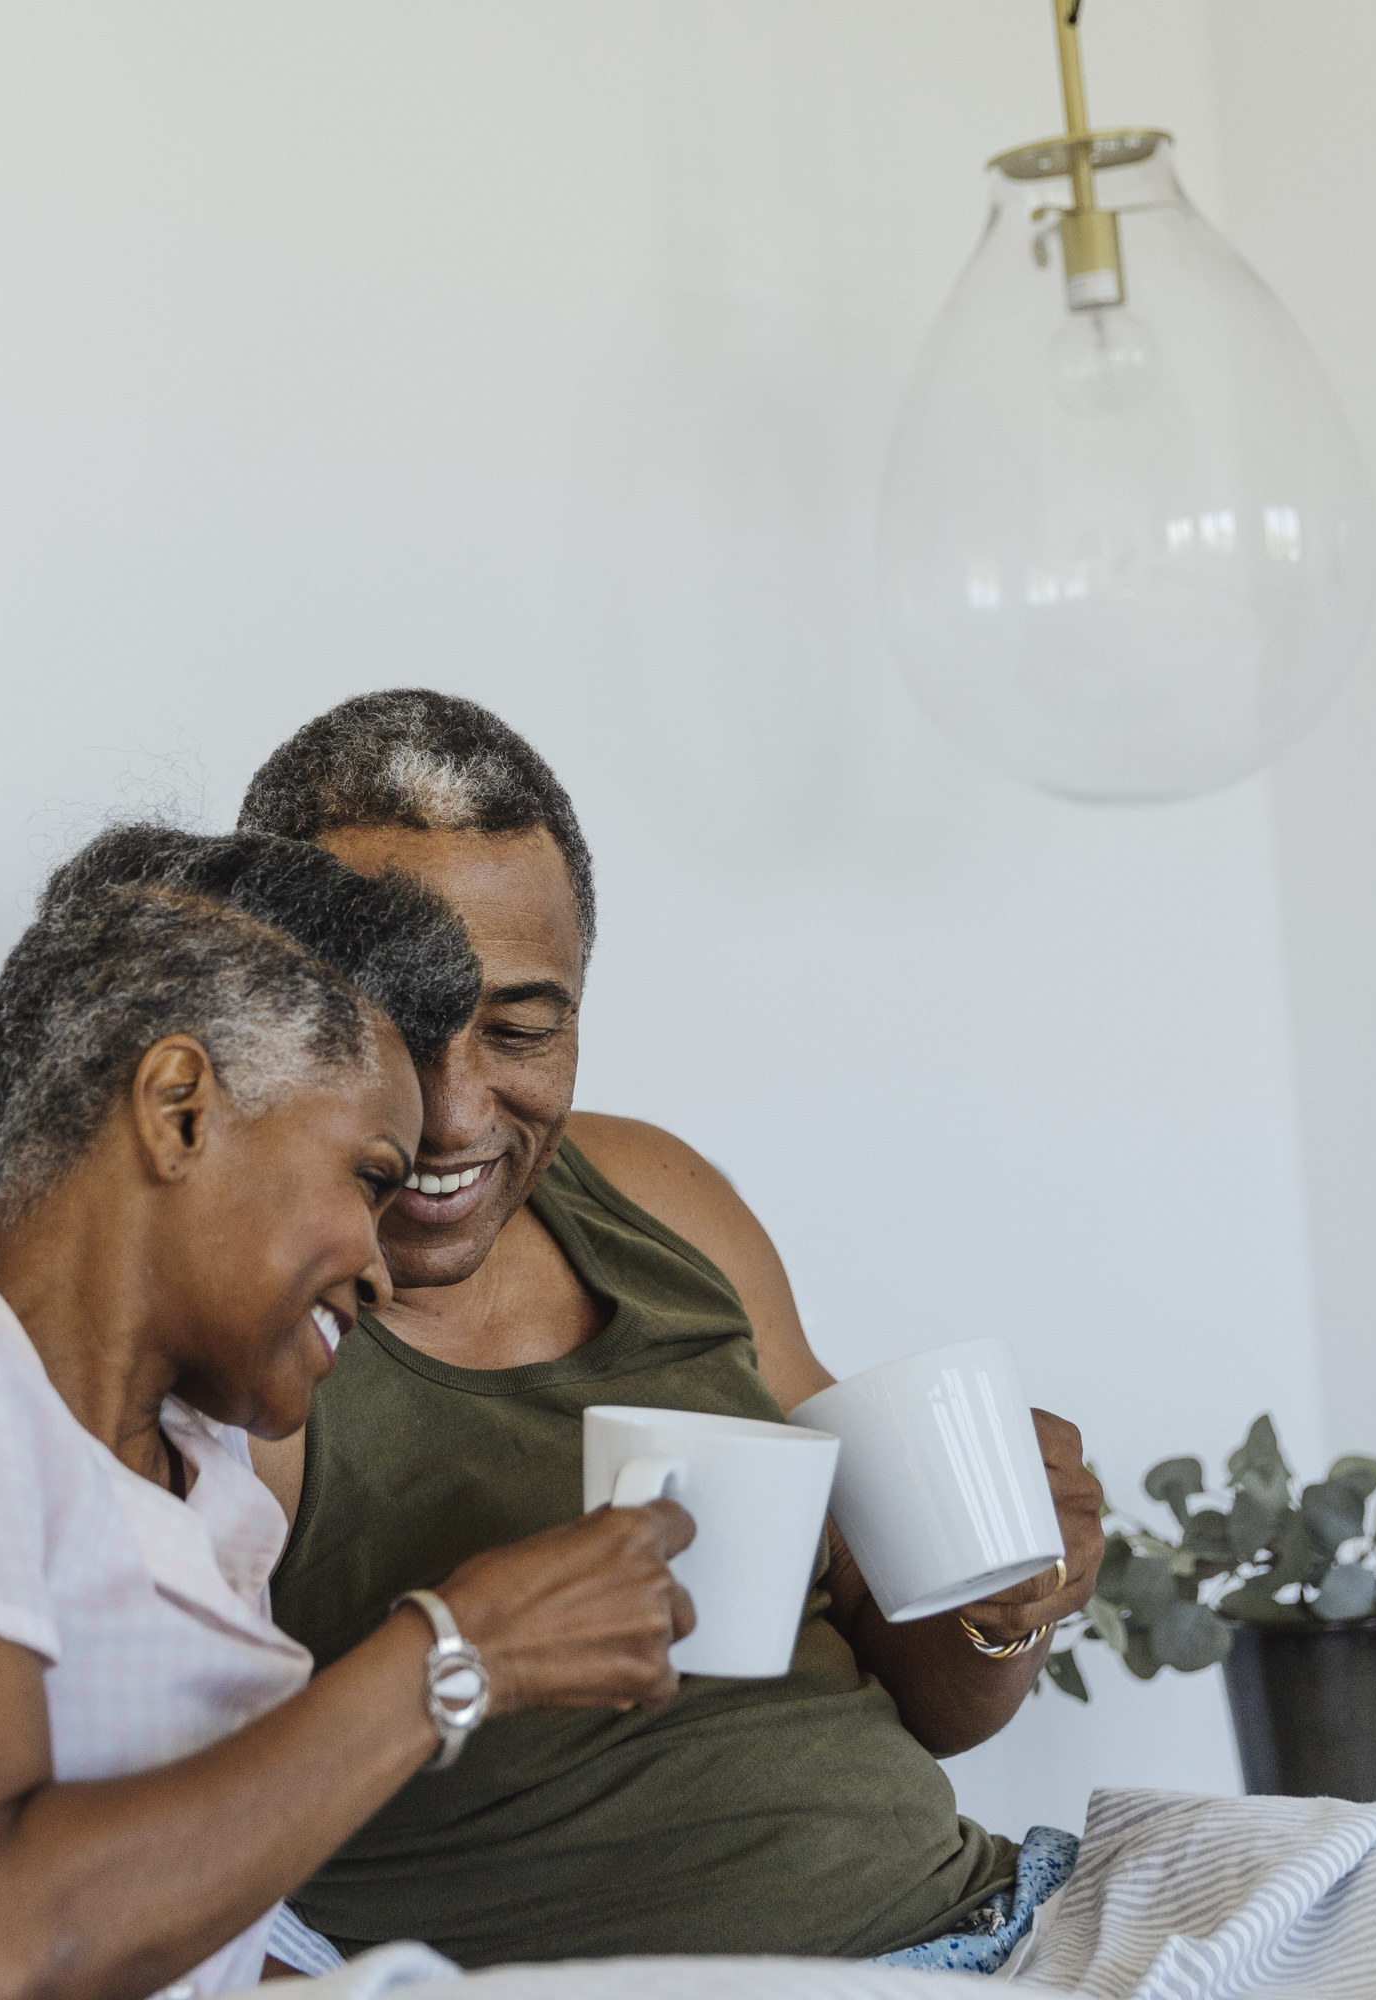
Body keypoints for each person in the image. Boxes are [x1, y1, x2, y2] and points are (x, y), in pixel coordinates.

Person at [0, 827, 703, 2000]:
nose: (381, 1264)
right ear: (178, 1110)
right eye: (368, 1177)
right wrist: (459, 1651)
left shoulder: (208, 1475)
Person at [238, 692, 1110, 1972]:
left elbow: (920, 1692)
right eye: (391, 1023)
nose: (455, 1109)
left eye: (523, 1028)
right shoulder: (230, 1325)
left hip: (1000, 1919)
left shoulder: (656, 1194)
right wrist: (468, 1646)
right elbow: (154, 1844)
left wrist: (1006, 1602)